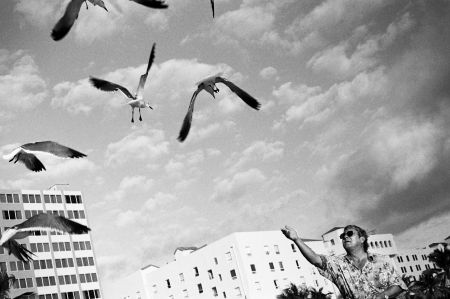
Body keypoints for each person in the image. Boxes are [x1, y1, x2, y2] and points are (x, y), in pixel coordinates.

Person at [281, 225, 406, 299]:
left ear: (362, 239)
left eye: (350, 233)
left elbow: (399, 286)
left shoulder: (381, 260)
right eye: (342, 236)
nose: (345, 236)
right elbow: (315, 259)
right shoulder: (338, 264)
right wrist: (297, 239)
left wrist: (381, 296)